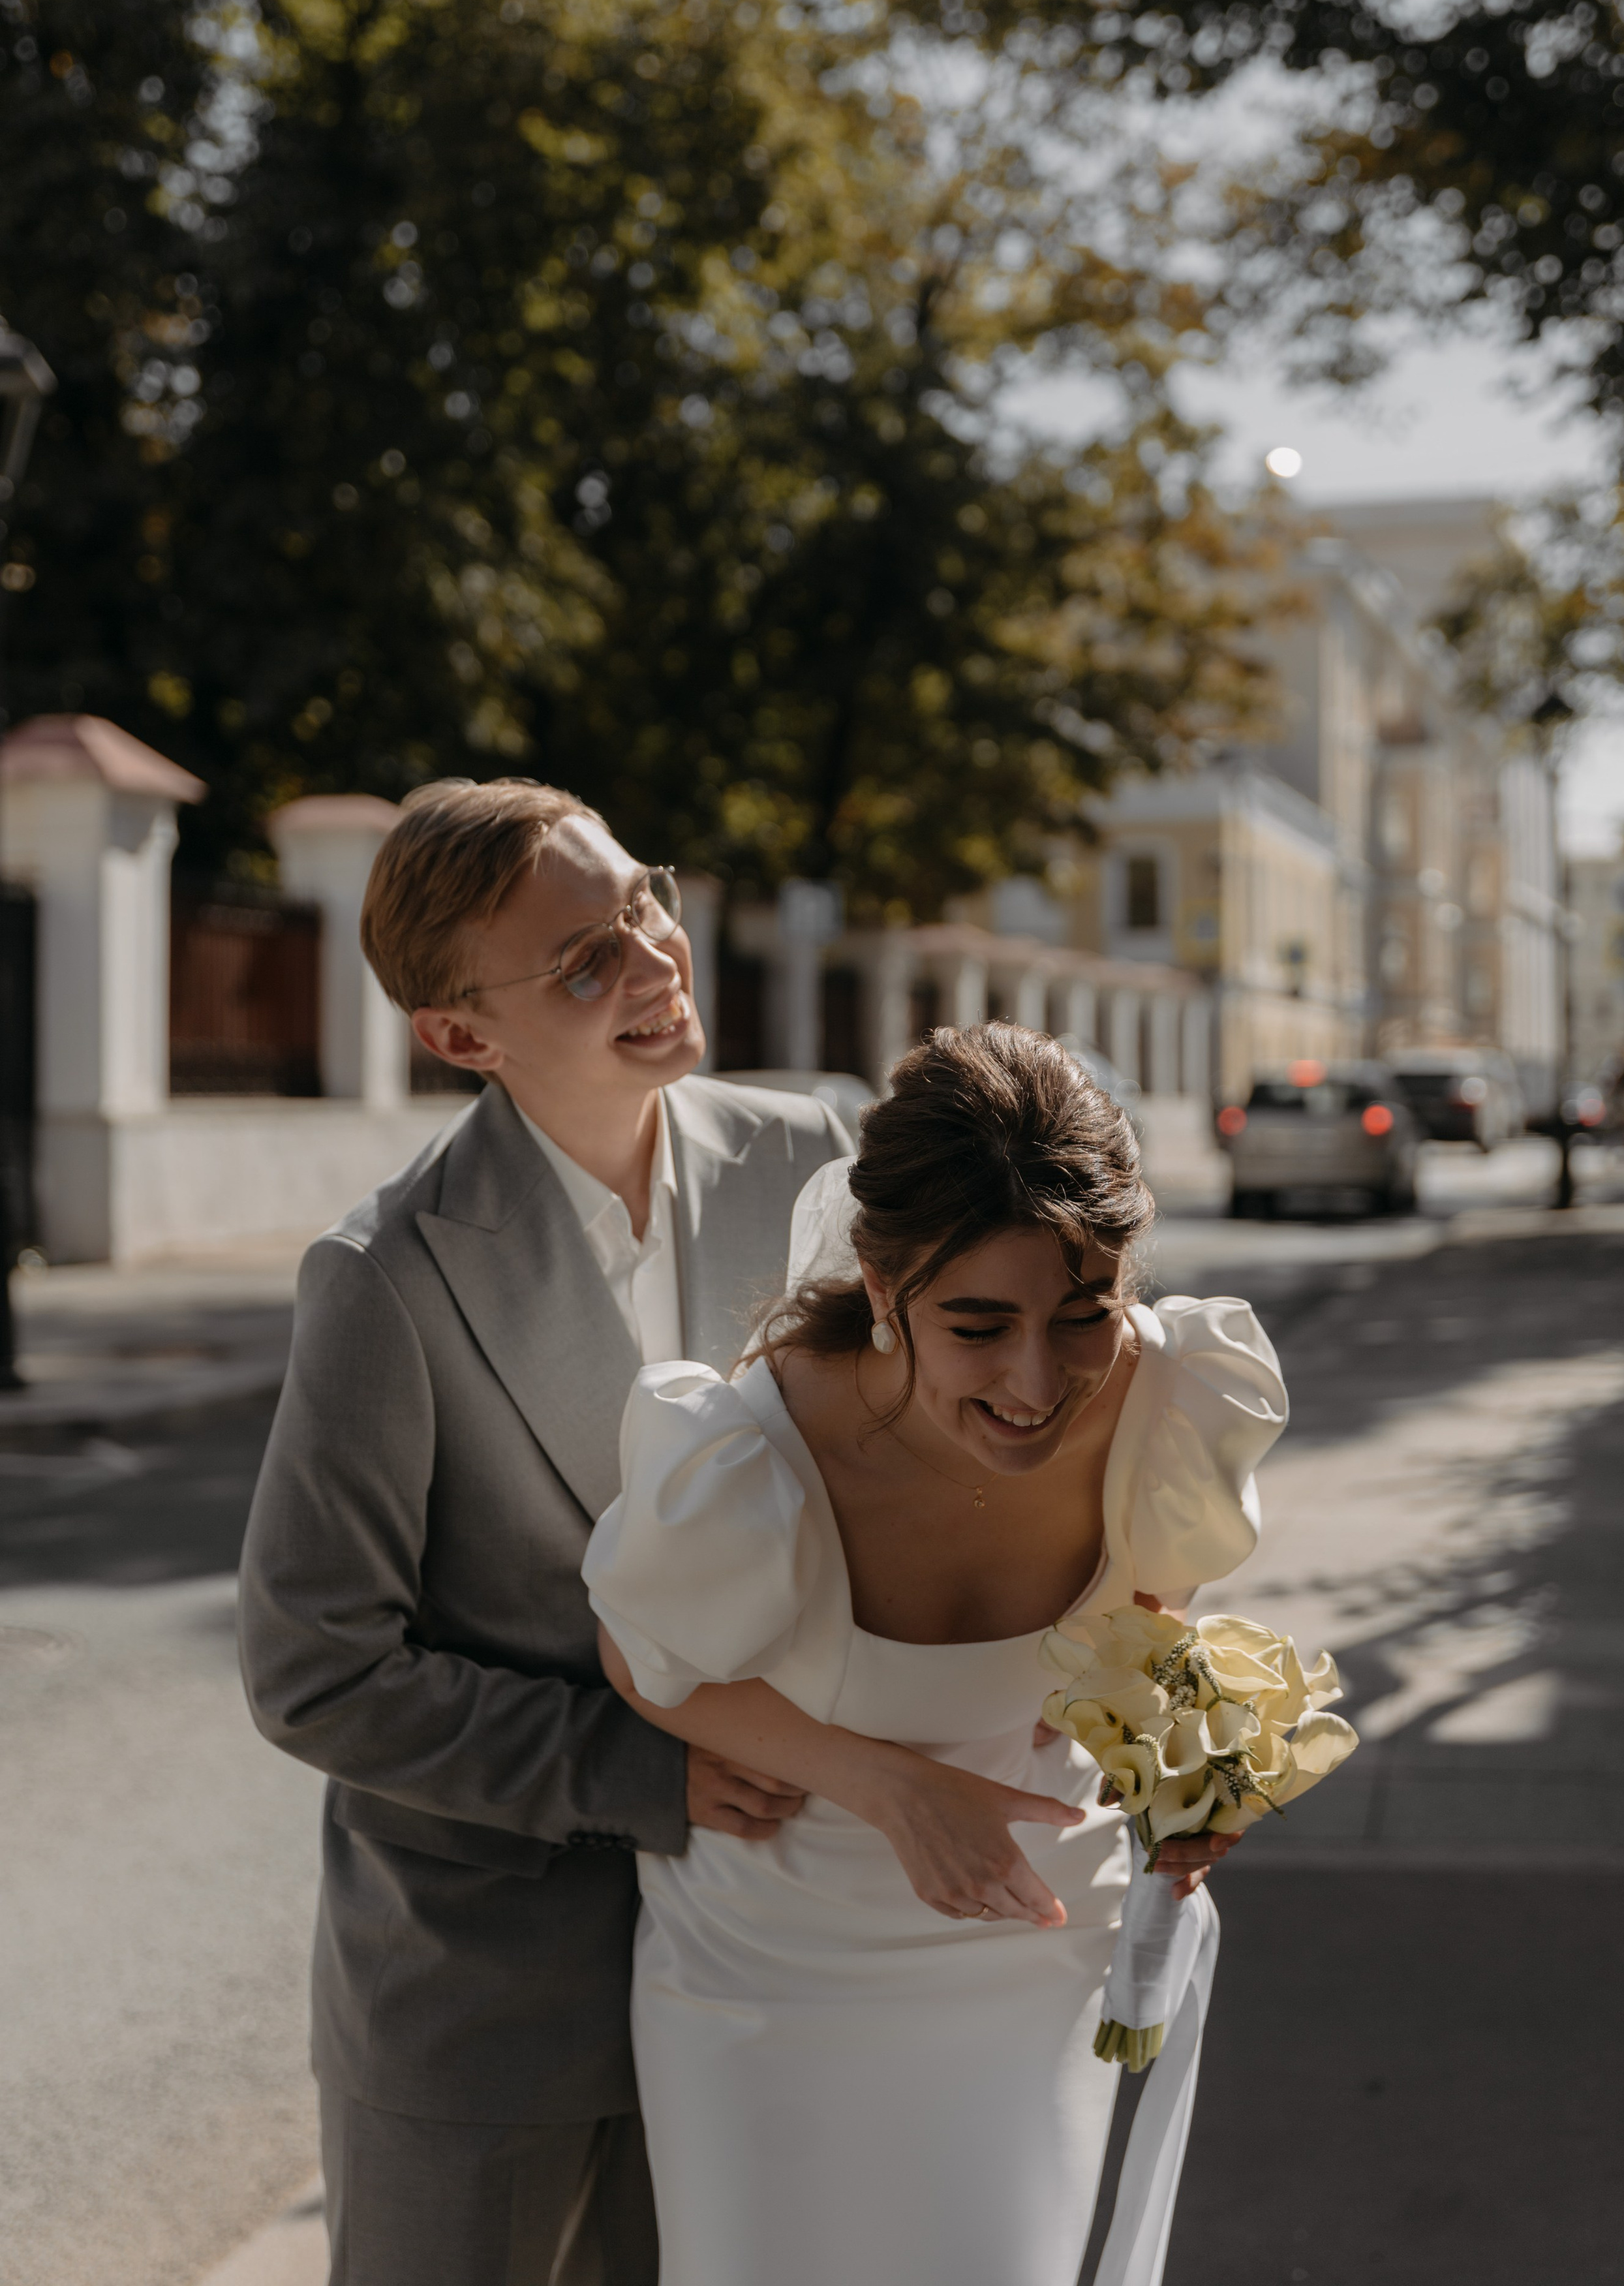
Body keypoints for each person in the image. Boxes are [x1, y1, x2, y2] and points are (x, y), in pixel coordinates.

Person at [238, 779, 853, 2286]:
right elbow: (316, 1670)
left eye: (644, 898)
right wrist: (644, 1770)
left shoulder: (806, 1165)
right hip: (486, 2003)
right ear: (462, 1037)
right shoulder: (382, 1280)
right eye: (586, 960)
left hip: (771, 1948)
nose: (652, 957)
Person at [584, 1023, 1289, 2286]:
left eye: (1082, 1314)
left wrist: (1177, 1775)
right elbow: (647, 1663)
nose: (1035, 1381)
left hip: (1035, 1954)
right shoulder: (752, 1449)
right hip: (770, 1972)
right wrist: (891, 1787)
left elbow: (1146, 1621)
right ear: (881, 1275)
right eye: (977, 1325)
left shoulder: (1166, 1397)